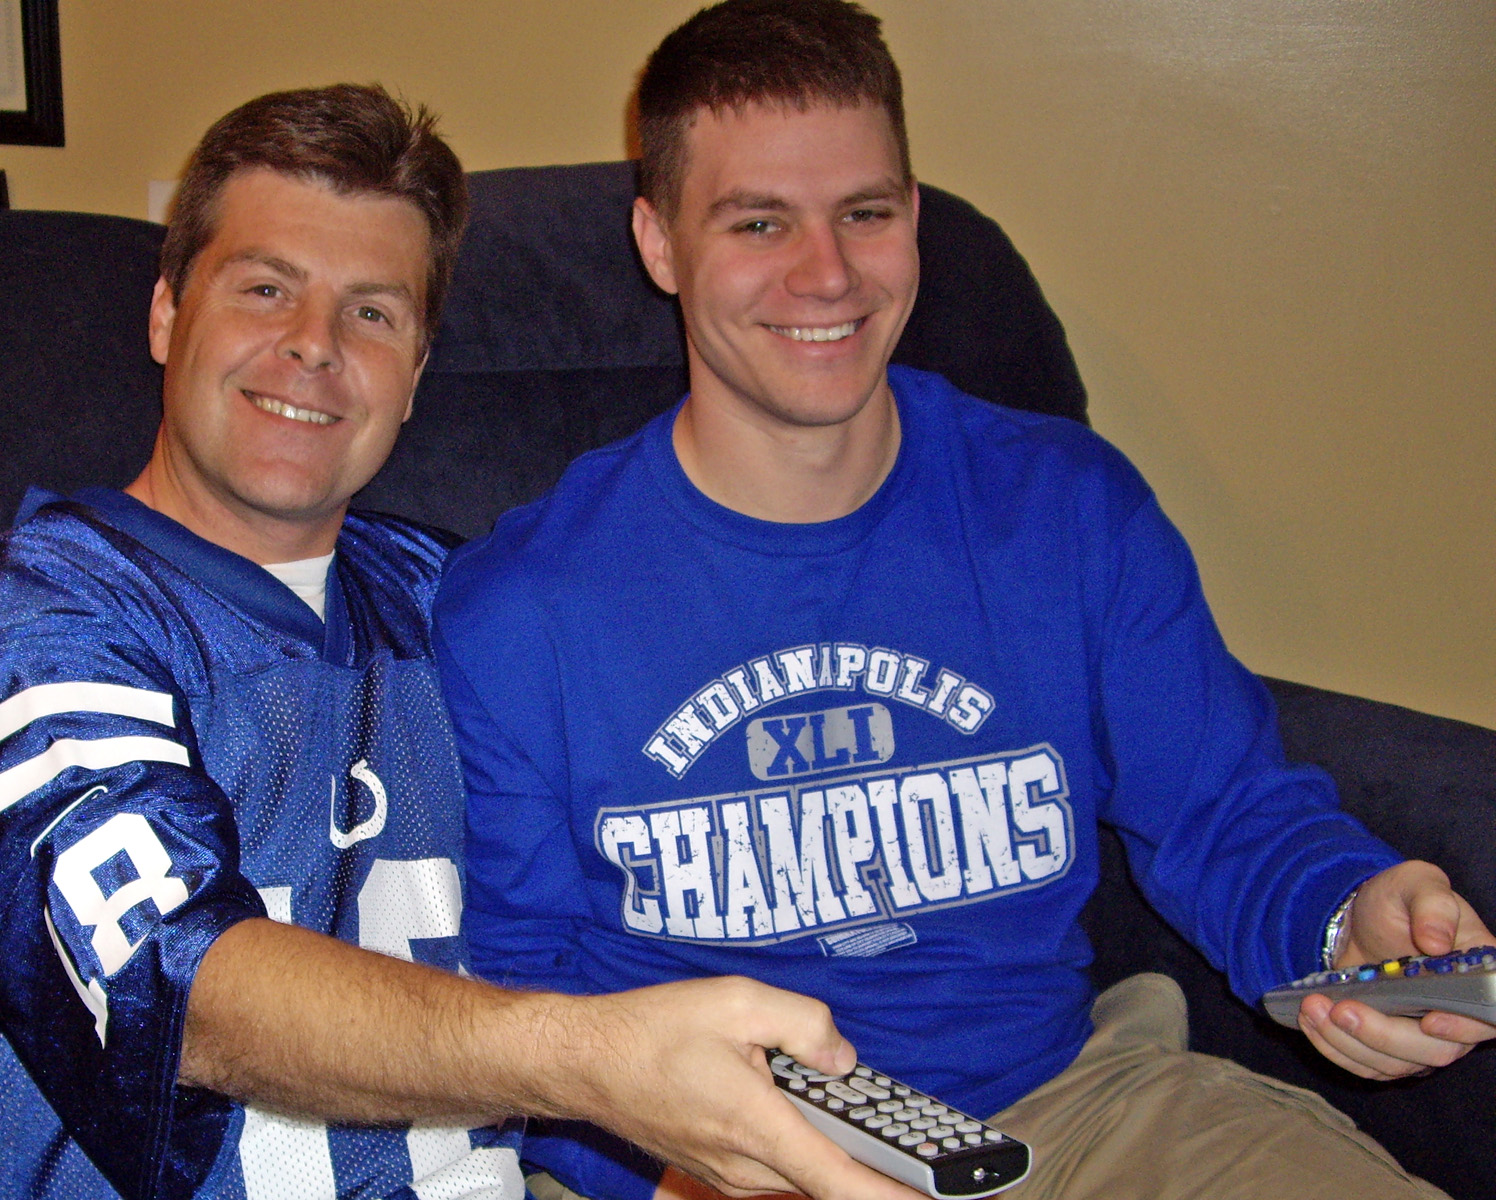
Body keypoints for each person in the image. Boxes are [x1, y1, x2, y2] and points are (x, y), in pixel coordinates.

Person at [429, 4, 1495, 1199]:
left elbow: (1225, 813)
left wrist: (1344, 923)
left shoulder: (1066, 508)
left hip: (1073, 1115)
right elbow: (515, 1000)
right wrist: (669, 1171)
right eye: (759, 221)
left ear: (913, 217)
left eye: (866, 213)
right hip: (714, 1159)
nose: (827, 273)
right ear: (660, 243)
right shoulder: (520, 609)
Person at [0, 84, 914, 1200]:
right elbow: (189, 993)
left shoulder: (458, 599)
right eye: (265, 289)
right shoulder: (36, 620)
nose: (313, 346)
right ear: (166, 314)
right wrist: (590, 1064)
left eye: (372, 313)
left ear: (415, 373)